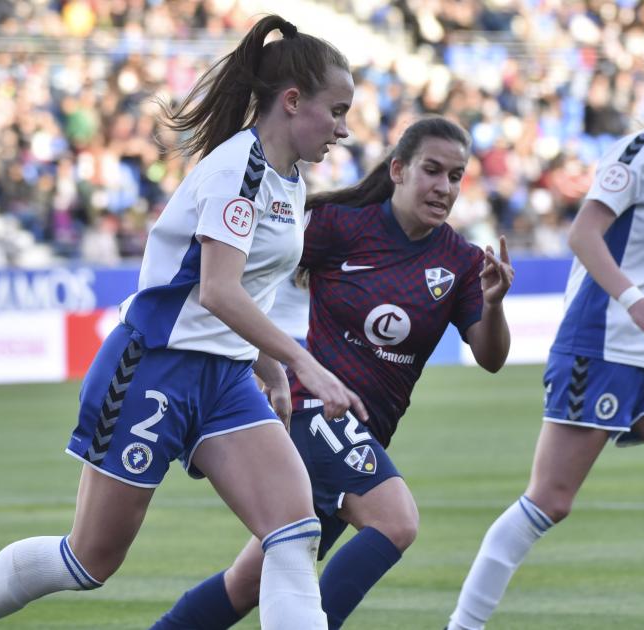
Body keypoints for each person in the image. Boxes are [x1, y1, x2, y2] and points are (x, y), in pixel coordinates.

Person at [0, 15, 366, 630]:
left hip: (226, 378)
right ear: (292, 102)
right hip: (153, 366)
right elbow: (215, 290)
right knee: (90, 559)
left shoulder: (288, 179)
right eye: (337, 111)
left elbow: (241, 294)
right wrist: (301, 361)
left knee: (292, 533)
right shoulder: (241, 172)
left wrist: (271, 369)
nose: (343, 130)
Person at [446, 32, 644, 630]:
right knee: (550, 500)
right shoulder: (640, 152)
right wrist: (637, 302)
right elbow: (583, 236)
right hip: (599, 345)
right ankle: (461, 627)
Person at [149, 116, 513, 629]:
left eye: (456, 176)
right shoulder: (339, 225)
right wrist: (262, 359)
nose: (444, 187)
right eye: (432, 170)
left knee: (247, 583)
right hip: (315, 410)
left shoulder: (461, 262)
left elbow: (491, 357)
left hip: (365, 431)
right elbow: (237, 276)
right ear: (399, 170)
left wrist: (494, 305)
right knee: (396, 521)